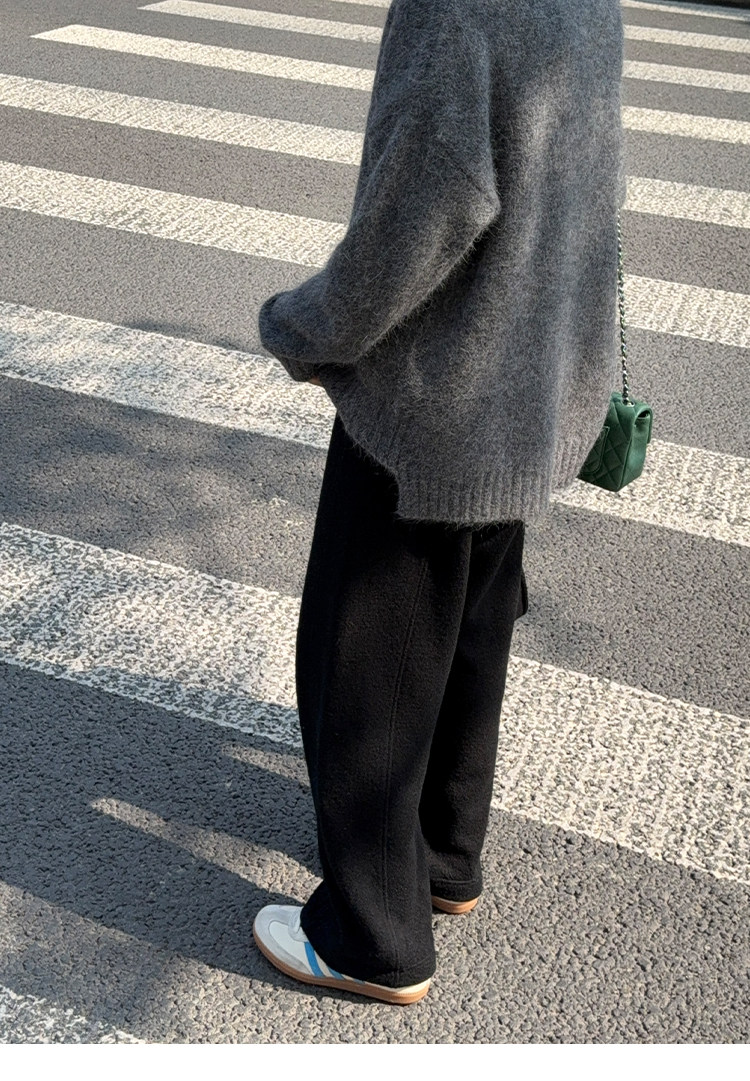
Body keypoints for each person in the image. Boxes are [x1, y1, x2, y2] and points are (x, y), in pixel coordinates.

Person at [253, 0, 626, 1005]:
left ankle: (372, 937)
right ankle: (444, 854)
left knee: (367, 661)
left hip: (432, 396)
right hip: (528, 379)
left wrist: (309, 327)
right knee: (469, 625)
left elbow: (424, 206)